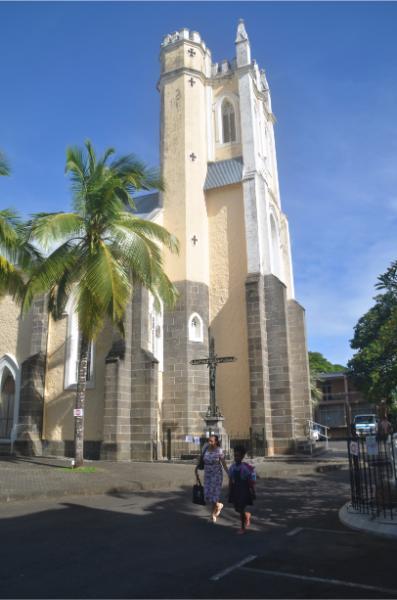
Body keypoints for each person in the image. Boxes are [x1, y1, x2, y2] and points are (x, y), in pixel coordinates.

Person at [195, 434, 229, 523]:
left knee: (214, 495)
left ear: (216, 442)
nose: (209, 442)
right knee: (207, 495)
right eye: (209, 440)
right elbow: (201, 458)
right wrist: (196, 469)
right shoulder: (206, 448)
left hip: (216, 475)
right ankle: (219, 505)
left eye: (212, 441)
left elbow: (224, 463)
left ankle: (213, 514)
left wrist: (229, 474)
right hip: (207, 475)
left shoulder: (219, 450)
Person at [228, 445, 256, 534]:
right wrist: (229, 491)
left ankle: (242, 528)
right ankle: (246, 515)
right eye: (235, 456)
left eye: (238, 456)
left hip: (243, 489)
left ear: (242, 456)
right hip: (235, 488)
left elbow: (250, 480)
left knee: (241, 508)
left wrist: (252, 491)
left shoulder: (245, 468)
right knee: (237, 508)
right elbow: (230, 479)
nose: (236, 458)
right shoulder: (232, 467)